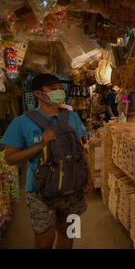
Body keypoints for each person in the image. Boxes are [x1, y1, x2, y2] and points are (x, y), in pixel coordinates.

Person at [0, 74, 90, 249]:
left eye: (60, 87)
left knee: (70, 232)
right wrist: (40, 145)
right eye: (53, 88)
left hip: (73, 188)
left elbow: (81, 150)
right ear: (38, 94)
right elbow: (9, 158)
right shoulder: (22, 122)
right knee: (44, 239)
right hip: (39, 192)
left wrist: (89, 176)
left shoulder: (72, 117)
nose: (59, 91)